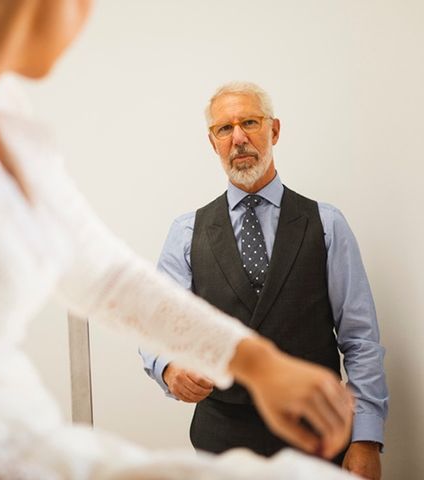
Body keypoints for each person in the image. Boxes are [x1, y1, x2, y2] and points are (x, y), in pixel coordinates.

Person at [0, 2, 355, 479]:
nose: (84, 20)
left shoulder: (1, 107)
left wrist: (256, 362)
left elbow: (101, 274)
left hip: (31, 440)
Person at [141, 81, 388, 479]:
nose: (238, 138)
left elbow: (360, 340)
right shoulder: (186, 232)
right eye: (225, 129)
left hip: (318, 440)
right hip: (220, 447)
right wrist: (169, 367)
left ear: (274, 131)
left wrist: (366, 439)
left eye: (250, 123)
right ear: (213, 143)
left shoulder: (327, 225)